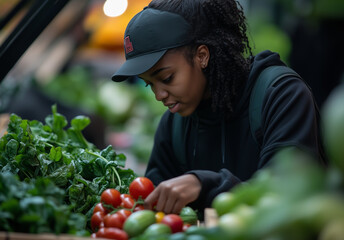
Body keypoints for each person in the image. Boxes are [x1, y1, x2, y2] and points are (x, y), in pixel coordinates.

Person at [111, 0, 326, 216]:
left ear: (202, 56)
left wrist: (206, 185)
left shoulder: (282, 95)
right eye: (149, 84)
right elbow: (154, 211)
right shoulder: (173, 124)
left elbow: (289, 196)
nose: (159, 95)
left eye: (167, 78)